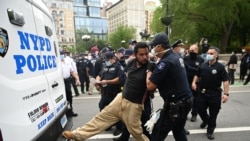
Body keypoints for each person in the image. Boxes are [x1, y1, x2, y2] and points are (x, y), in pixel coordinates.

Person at [62, 42, 152, 141]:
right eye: (141, 54)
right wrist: (100, 82)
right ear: (135, 55)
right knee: (101, 118)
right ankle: (76, 135)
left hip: (134, 105)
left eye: (146, 54)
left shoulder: (151, 67)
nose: (145, 57)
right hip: (121, 98)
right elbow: (123, 78)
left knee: (136, 132)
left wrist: (150, 70)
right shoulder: (131, 63)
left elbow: (151, 86)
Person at [147, 32, 193, 141]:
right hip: (186, 101)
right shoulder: (175, 56)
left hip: (176, 105)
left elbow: (150, 86)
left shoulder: (165, 63)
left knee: (157, 133)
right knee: (178, 130)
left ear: (159, 46)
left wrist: (149, 70)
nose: (152, 49)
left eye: (153, 46)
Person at [192, 47, 229, 140]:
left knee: (213, 113)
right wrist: (193, 82)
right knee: (200, 109)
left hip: (214, 94)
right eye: (208, 53)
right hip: (202, 92)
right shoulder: (203, 65)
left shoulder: (220, 67)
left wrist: (226, 94)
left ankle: (210, 130)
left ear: (216, 55)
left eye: (211, 53)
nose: (209, 55)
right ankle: (206, 120)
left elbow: (225, 81)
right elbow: (197, 75)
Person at [95, 52, 124, 136]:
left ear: (112, 59)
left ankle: (119, 128)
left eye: (107, 60)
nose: (106, 61)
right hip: (105, 93)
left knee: (116, 111)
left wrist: (107, 81)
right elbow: (99, 75)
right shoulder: (104, 66)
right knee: (102, 107)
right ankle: (109, 124)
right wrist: (97, 82)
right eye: (105, 60)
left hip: (114, 93)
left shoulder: (118, 67)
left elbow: (119, 79)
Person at [184, 44, 204, 122]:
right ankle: (185, 114)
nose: (191, 52)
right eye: (190, 50)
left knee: (195, 99)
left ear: (197, 51)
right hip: (186, 81)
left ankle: (194, 114)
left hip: (196, 82)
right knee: (186, 99)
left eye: (193, 50)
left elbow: (201, 71)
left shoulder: (200, 59)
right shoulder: (185, 58)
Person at [61, 51, 81, 117]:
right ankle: (64, 113)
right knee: (63, 98)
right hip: (61, 82)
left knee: (69, 97)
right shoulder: (57, 63)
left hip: (67, 81)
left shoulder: (67, 62)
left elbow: (72, 72)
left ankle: (70, 111)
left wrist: (77, 79)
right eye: (61, 54)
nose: (62, 55)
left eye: (63, 54)